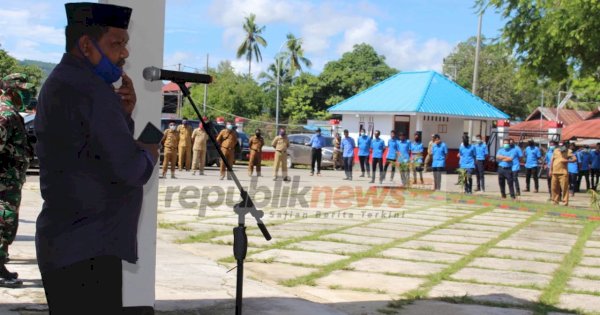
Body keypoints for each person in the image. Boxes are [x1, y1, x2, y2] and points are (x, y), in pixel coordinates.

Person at [34, 3, 159, 313]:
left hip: (69, 244)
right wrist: (149, 151)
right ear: (86, 45)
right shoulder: (90, 89)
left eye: (125, 43)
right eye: (116, 43)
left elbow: (93, 152)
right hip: (86, 249)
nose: (125, 53)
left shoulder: (64, 82)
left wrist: (122, 116)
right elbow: (129, 169)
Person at [0, 73, 34, 288]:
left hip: (9, 181)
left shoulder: (12, 113)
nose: (27, 94)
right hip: (3, 181)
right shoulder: (4, 113)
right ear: (12, 89)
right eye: (23, 90)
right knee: (4, 220)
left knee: (6, 222)